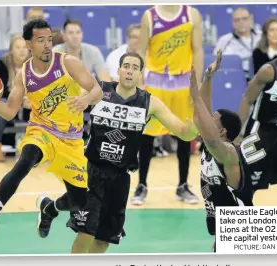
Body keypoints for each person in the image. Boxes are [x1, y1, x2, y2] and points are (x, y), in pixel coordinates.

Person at [35, 52, 199, 253]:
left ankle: (49, 207)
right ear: (119, 71)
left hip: (120, 178)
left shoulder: (150, 103)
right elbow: (63, 95)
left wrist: (194, 128)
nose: (130, 71)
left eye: (135, 68)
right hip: (91, 171)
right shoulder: (100, 92)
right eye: (126, 66)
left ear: (141, 74)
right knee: (86, 232)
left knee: (104, 239)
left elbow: (183, 132)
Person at [0, 19, 103, 239]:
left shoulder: (68, 63)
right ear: (29, 44)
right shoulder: (24, 74)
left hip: (71, 140)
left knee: (79, 201)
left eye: (49, 39)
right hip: (41, 130)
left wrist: (86, 100)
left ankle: (48, 209)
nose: (47, 45)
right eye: (40, 40)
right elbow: (10, 111)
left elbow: (97, 89)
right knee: (26, 160)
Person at [131, 4, 204, 206]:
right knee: (146, 137)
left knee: (185, 135)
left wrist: (196, 84)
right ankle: (141, 185)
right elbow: (141, 51)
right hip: (155, 84)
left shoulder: (192, 14)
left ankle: (183, 185)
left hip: (183, 84)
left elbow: (197, 50)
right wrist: (138, 84)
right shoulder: (150, 16)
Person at [190, 51, 254, 252]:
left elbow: (207, 129)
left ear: (222, 131)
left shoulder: (227, 152)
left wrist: (194, 96)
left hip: (241, 230)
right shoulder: (213, 147)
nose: (207, 121)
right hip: (224, 227)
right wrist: (208, 77)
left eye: (213, 120)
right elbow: (202, 117)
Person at [237, 25, 277, 192]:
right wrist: (236, 133)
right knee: (245, 184)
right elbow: (247, 100)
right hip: (263, 132)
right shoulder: (269, 71)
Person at [0, 34, 29, 162]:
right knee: (0, 103)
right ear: (11, 50)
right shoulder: (2, 62)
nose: (22, 50)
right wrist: (21, 99)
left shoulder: (35, 63)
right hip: (10, 101)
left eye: (24, 47)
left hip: (30, 101)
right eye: (18, 47)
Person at [213, 7, 261, 80]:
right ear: (233, 22)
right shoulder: (224, 40)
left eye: (244, 19)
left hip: (260, 77)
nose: (241, 22)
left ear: (251, 20)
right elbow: (215, 63)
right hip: (234, 79)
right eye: (237, 20)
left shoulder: (261, 37)